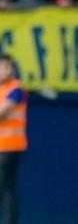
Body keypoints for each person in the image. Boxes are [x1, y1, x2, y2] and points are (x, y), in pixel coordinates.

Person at [0, 55, 28, 224]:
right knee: (7, 189)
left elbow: (2, 113)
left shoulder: (16, 90)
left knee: (5, 188)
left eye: (6, 67)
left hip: (10, 148)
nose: (4, 71)